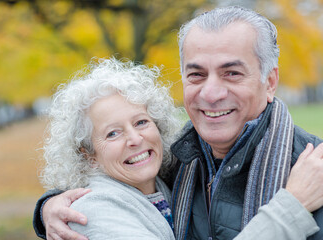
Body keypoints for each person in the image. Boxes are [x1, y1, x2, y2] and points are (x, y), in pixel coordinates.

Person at [33, 6, 323, 240]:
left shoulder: (312, 174)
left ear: (269, 81)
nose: (211, 93)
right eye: (196, 75)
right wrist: (52, 207)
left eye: (232, 73)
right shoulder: (178, 164)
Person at [37, 58, 180, 239]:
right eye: (113, 133)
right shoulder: (93, 210)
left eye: (141, 122)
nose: (135, 139)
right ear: (90, 156)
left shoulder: (170, 180)